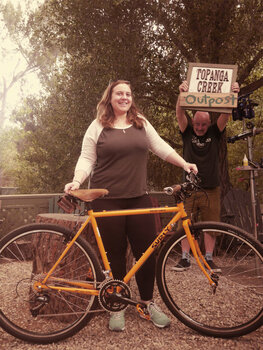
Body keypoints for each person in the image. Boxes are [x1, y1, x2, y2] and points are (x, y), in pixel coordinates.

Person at [64, 80, 197, 332]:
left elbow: (160, 147)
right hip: (107, 199)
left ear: (131, 98)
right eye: (119, 93)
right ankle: (117, 305)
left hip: (138, 198)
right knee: (114, 255)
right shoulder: (98, 126)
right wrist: (76, 180)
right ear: (110, 98)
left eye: (128, 94)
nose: (124, 97)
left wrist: (184, 164)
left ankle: (146, 303)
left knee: (147, 253)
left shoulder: (141, 124)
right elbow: (87, 158)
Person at [173, 80, 240, 273]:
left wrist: (233, 94)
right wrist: (181, 95)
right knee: (185, 223)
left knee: (211, 225)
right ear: (192, 122)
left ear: (209, 123)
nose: (200, 127)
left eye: (203, 124)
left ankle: (208, 258)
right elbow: (179, 113)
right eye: (197, 124)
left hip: (211, 187)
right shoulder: (186, 132)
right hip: (189, 187)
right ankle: (185, 258)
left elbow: (226, 115)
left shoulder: (214, 132)